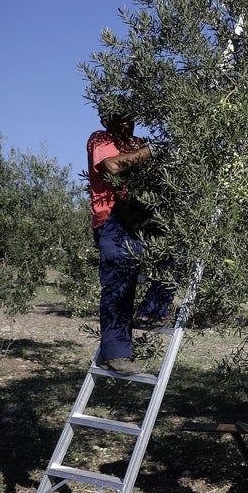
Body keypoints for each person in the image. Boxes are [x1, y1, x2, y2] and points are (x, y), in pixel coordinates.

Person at [87, 111, 174, 376]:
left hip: (138, 214)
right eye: (120, 119)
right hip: (112, 219)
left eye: (130, 118)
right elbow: (112, 166)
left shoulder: (136, 144)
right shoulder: (99, 139)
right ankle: (117, 354)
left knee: (177, 247)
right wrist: (152, 151)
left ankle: (154, 308)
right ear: (106, 121)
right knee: (119, 285)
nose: (127, 123)